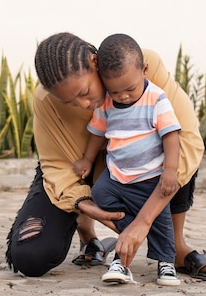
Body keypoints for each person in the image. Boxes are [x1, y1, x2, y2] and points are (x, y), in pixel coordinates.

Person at [5, 31, 206, 282]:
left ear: (94, 62)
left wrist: (143, 221)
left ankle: (175, 247)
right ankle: (87, 234)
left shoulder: (141, 66)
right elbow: (54, 164)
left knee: (173, 152)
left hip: (141, 168)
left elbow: (186, 137)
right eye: (71, 102)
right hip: (79, 170)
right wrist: (85, 205)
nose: (84, 104)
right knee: (30, 256)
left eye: (85, 91)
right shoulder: (45, 101)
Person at [73, 33, 181, 286]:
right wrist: (88, 160)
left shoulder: (156, 99)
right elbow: (98, 134)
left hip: (149, 177)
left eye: (130, 89)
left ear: (144, 70)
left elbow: (171, 135)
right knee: (100, 194)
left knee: (161, 220)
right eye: (115, 91)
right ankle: (126, 249)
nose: (122, 96)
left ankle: (166, 263)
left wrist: (170, 170)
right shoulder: (107, 103)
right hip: (117, 175)